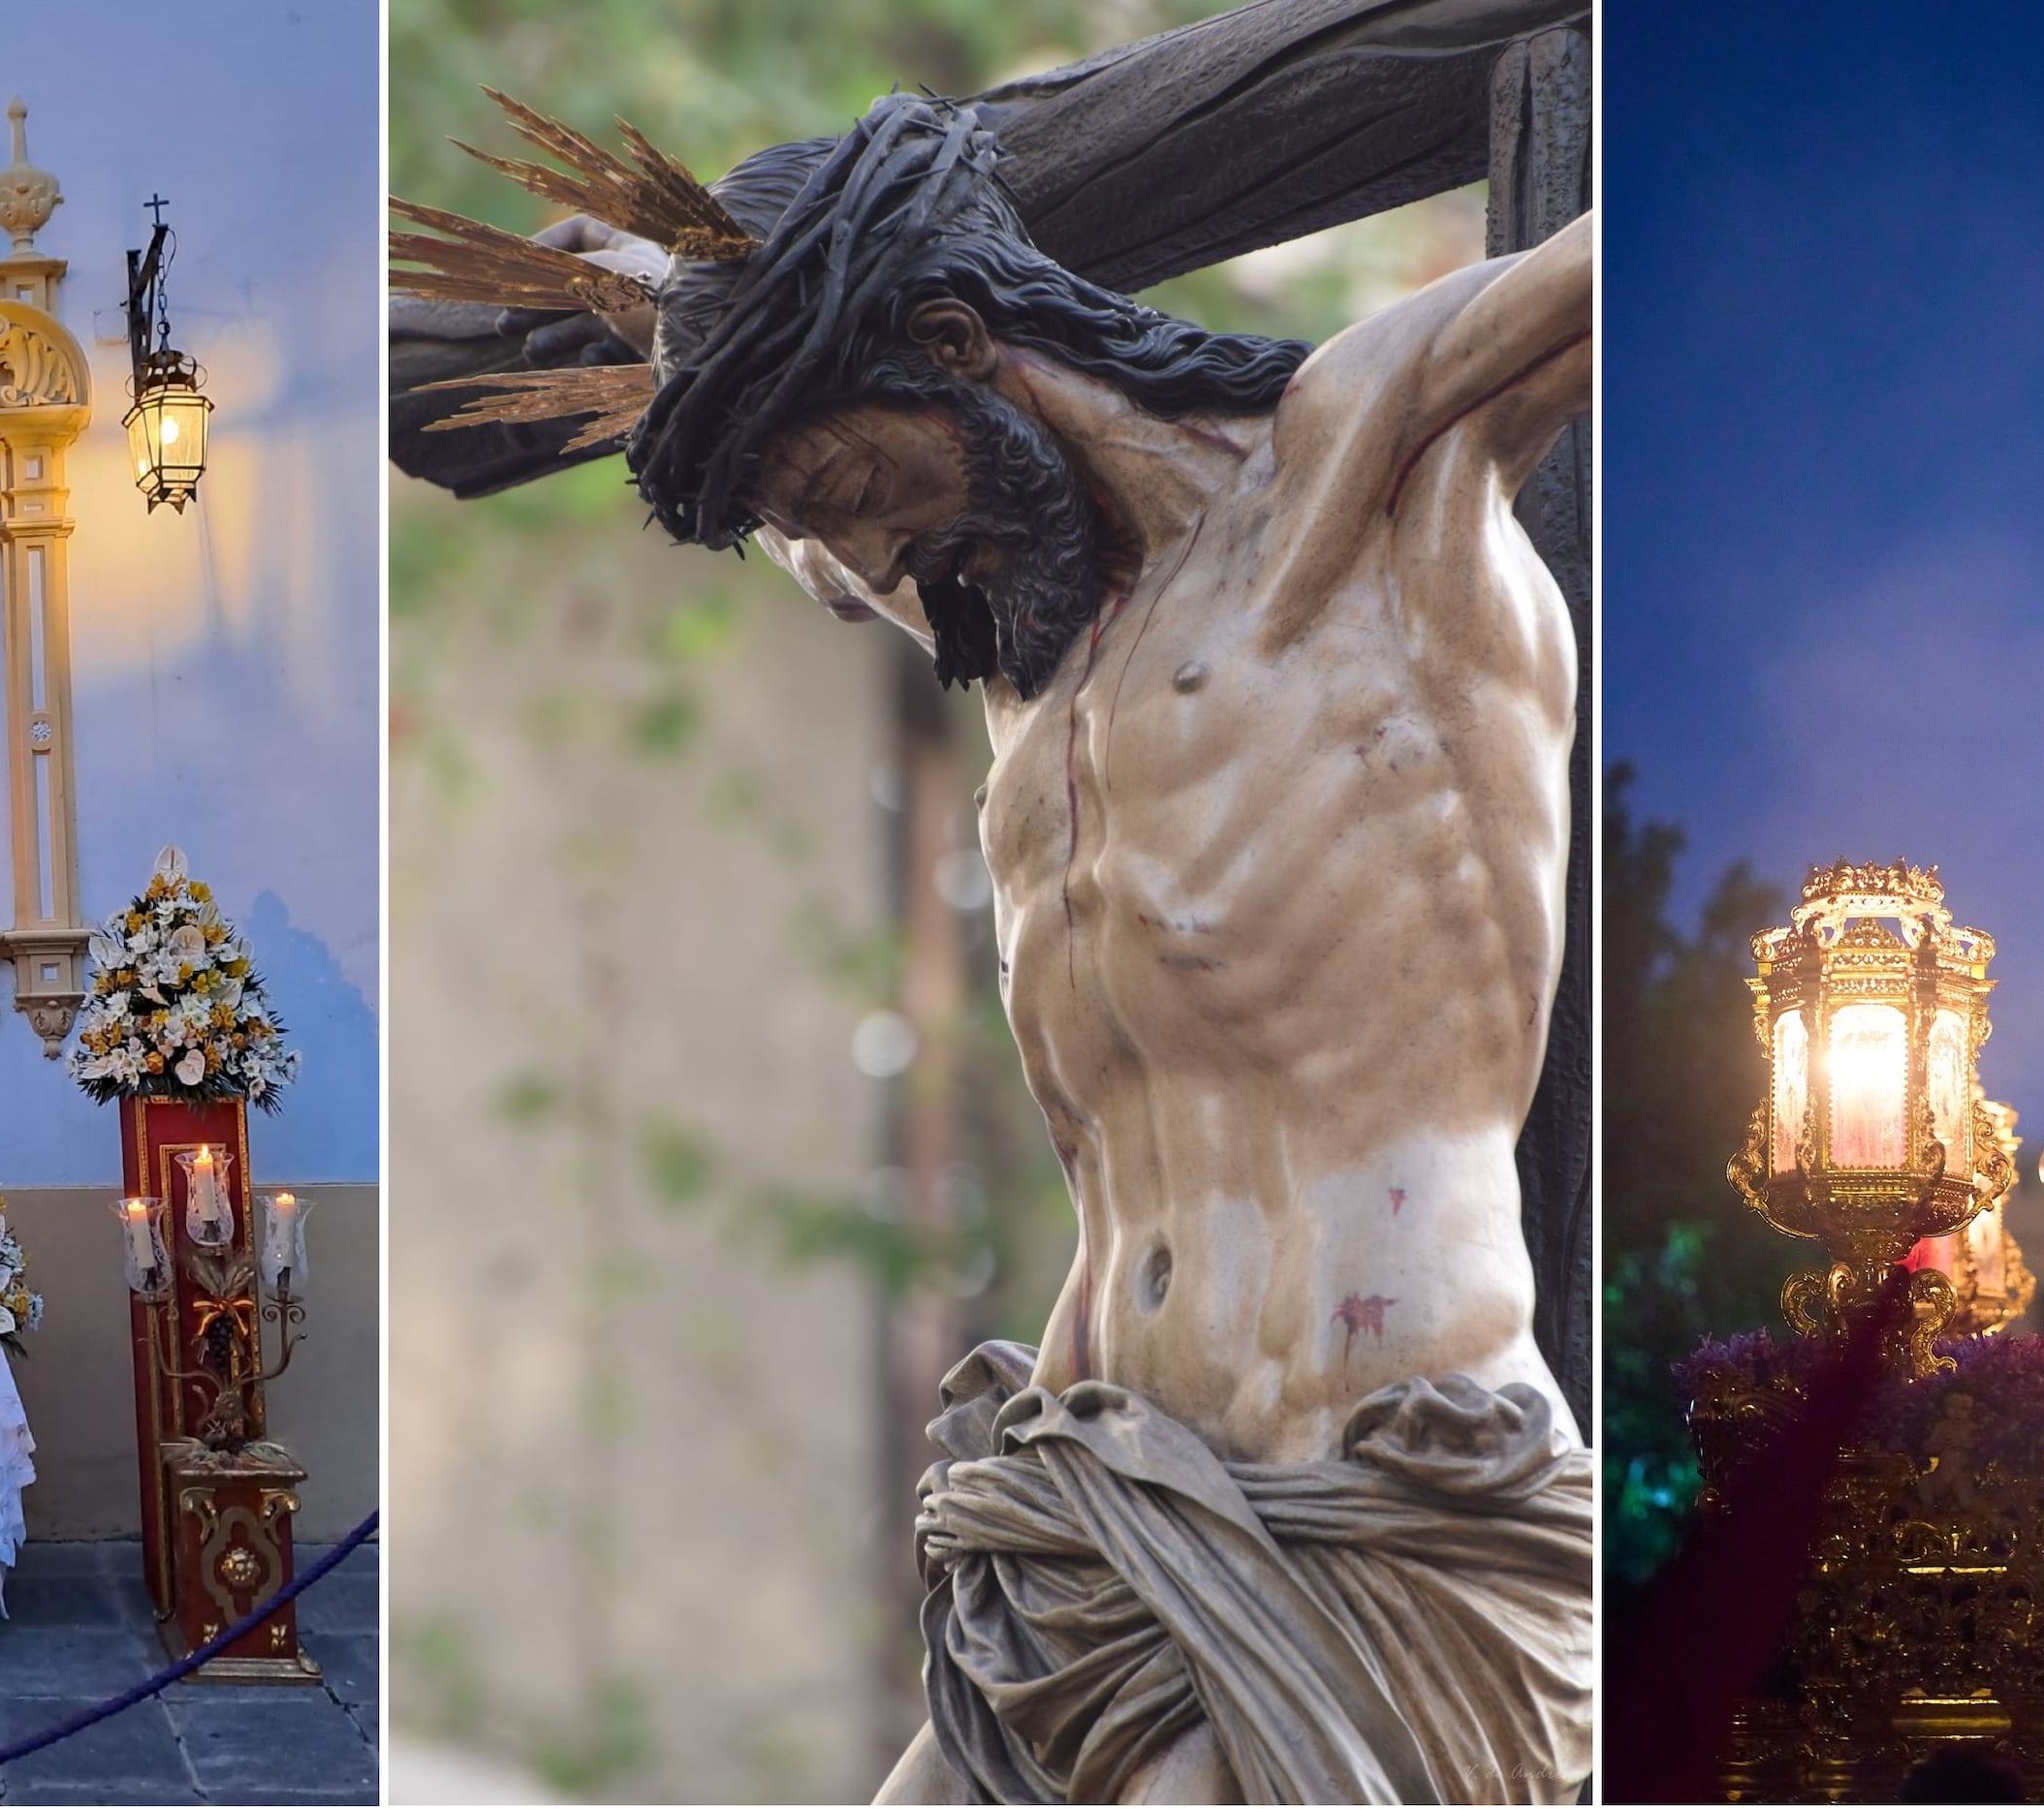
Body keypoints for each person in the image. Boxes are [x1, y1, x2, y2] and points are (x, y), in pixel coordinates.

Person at [403, 84, 1592, 1803]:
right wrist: (663, 295)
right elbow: (842, 508)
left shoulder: (1368, 483)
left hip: (1370, 1501)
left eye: (862, 487)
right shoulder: (1033, 663)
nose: (873, 560)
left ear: (958, 343)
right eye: (825, 537)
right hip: (1088, 1520)